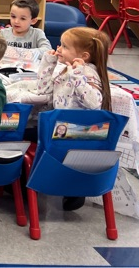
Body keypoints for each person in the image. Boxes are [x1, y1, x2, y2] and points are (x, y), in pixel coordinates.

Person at [36, 26, 112, 211]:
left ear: (83, 56)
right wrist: (49, 63)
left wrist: (77, 76)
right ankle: (69, 188)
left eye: (65, 46)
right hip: (62, 133)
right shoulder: (66, 69)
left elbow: (94, 103)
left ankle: (26, 183)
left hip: (74, 136)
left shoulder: (87, 73)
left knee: (24, 135)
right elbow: (43, 90)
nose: (59, 49)